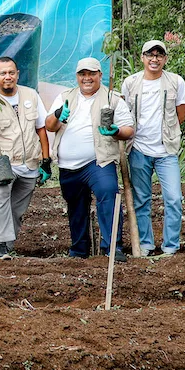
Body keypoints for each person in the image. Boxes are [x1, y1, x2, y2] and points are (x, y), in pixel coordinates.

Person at [45, 57, 135, 261]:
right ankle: (79, 250)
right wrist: (59, 114)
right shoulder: (65, 97)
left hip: (98, 162)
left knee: (108, 193)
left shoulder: (112, 99)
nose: (87, 78)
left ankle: (112, 247)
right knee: (76, 205)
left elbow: (129, 130)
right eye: (82, 74)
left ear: (100, 75)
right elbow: (49, 125)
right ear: (77, 76)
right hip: (68, 165)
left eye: (92, 74)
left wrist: (116, 131)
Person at [0, 56, 51, 259]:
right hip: (4, 162)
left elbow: (41, 129)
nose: (7, 77)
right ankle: (1, 246)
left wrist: (46, 161)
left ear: (17, 74)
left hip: (30, 163)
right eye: (3, 73)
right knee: (0, 200)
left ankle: (8, 247)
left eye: (11, 72)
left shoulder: (31, 95)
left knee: (17, 209)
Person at [121, 41, 185, 257]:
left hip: (166, 151)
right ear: (142, 57)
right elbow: (124, 114)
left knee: (174, 198)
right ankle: (146, 244)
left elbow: (181, 114)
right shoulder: (130, 83)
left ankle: (170, 246)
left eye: (160, 55)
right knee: (141, 199)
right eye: (150, 54)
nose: (155, 59)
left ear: (165, 59)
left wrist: (168, 132)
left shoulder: (176, 81)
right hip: (138, 149)